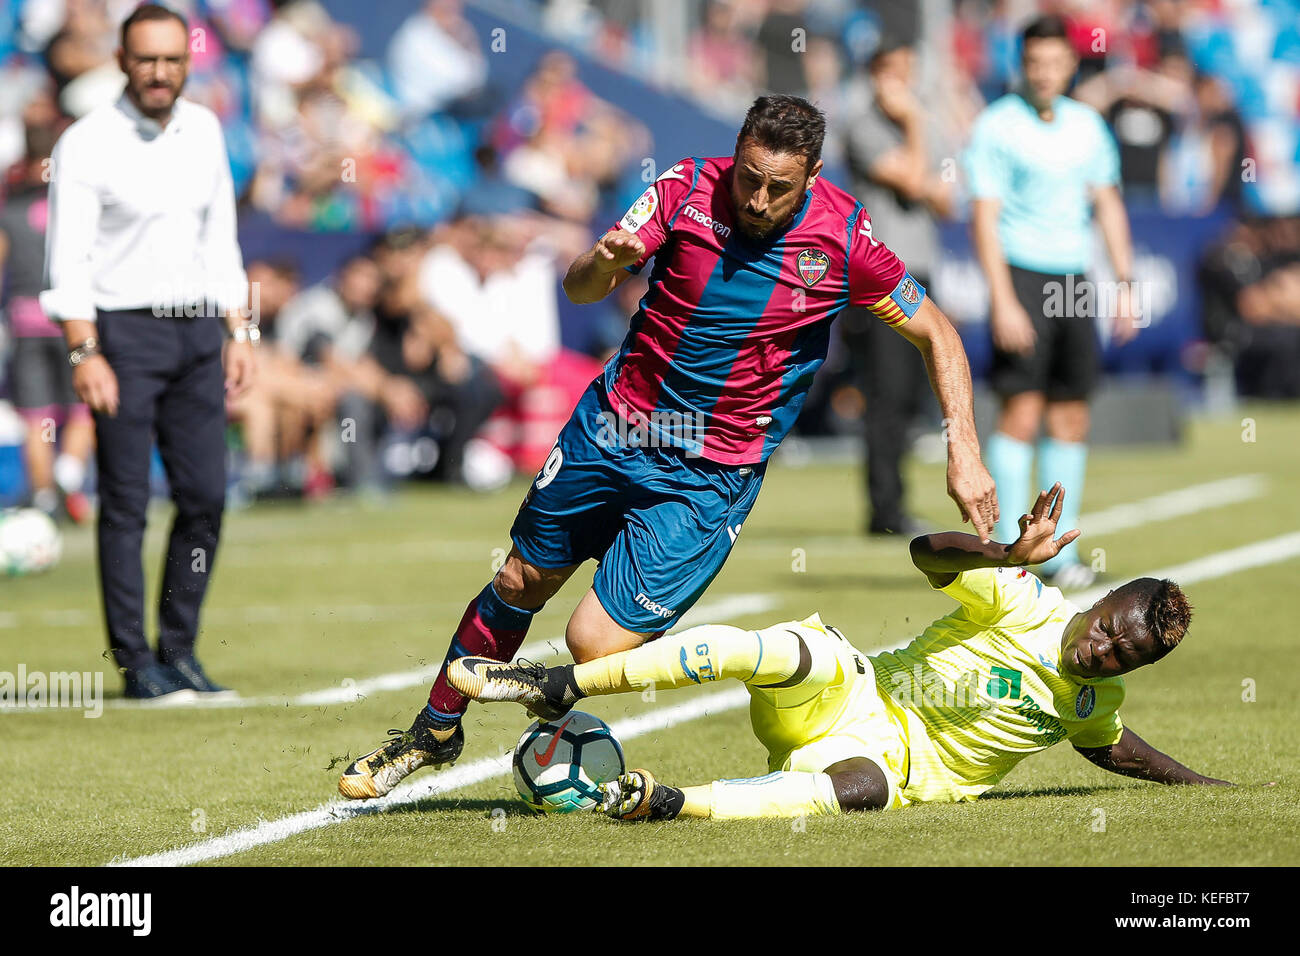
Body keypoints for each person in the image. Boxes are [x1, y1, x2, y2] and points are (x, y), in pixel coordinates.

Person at [338, 94, 998, 800]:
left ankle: (553, 689)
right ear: (735, 155)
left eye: (779, 186)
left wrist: (964, 448)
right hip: (613, 428)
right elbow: (582, 288)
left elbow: (939, 333)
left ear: (811, 177)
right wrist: (604, 261)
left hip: (709, 475)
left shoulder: (842, 240)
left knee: (593, 645)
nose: (758, 198)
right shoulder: (683, 189)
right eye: (748, 176)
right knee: (517, 582)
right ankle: (433, 731)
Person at [452, 484, 1230, 821]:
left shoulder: (1093, 706)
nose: (1102, 650)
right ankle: (560, 680)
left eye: (1122, 656)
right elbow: (928, 555)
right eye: (1107, 628)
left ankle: (676, 802)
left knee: (861, 792)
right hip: (855, 697)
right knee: (786, 648)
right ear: (1097, 601)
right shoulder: (1022, 599)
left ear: (1132, 670)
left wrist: (1201, 783)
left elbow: (1116, 750)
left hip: (889, 765)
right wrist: (996, 553)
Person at [39, 5, 254, 700]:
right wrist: (84, 353)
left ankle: (180, 648)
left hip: (197, 334)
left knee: (204, 499)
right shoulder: (88, 141)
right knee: (127, 505)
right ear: (123, 61)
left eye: (172, 60)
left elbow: (221, 240)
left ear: (187, 63)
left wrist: (239, 331)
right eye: (146, 59)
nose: (159, 72)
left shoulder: (205, 129)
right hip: (122, 336)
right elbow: (65, 260)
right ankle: (137, 662)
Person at [966, 15, 1139, 591]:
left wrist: (1125, 281)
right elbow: (984, 216)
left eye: (1054, 62)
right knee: (1021, 410)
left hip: (1072, 279)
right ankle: (1013, 553)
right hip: (1022, 274)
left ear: (1071, 64)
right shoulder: (997, 125)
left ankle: (1060, 555)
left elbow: (1107, 202)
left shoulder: (1088, 126)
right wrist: (1003, 299)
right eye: (1033, 63)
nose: (1043, 73)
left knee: (1070, 414)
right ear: (1022, 65)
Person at [842, 38, 956, 535]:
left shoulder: (924, 124)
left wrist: (919, 136)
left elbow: (949, 200)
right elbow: (915, 183)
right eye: (892, 72)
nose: (902, 84)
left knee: (912, 392)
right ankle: (884, 510)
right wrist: (913, 125)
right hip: (878, 274)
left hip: (921, 269)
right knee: (885, 393)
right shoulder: (865, 125)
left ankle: (897, 501)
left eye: (908, 71)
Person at [0, 121, 94, 523]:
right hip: (73, 320)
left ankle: (43, 498)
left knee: (38, 415)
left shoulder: (11, 211)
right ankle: (69, 474)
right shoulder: (76, 205)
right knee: (83, 408)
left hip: (26, 322)